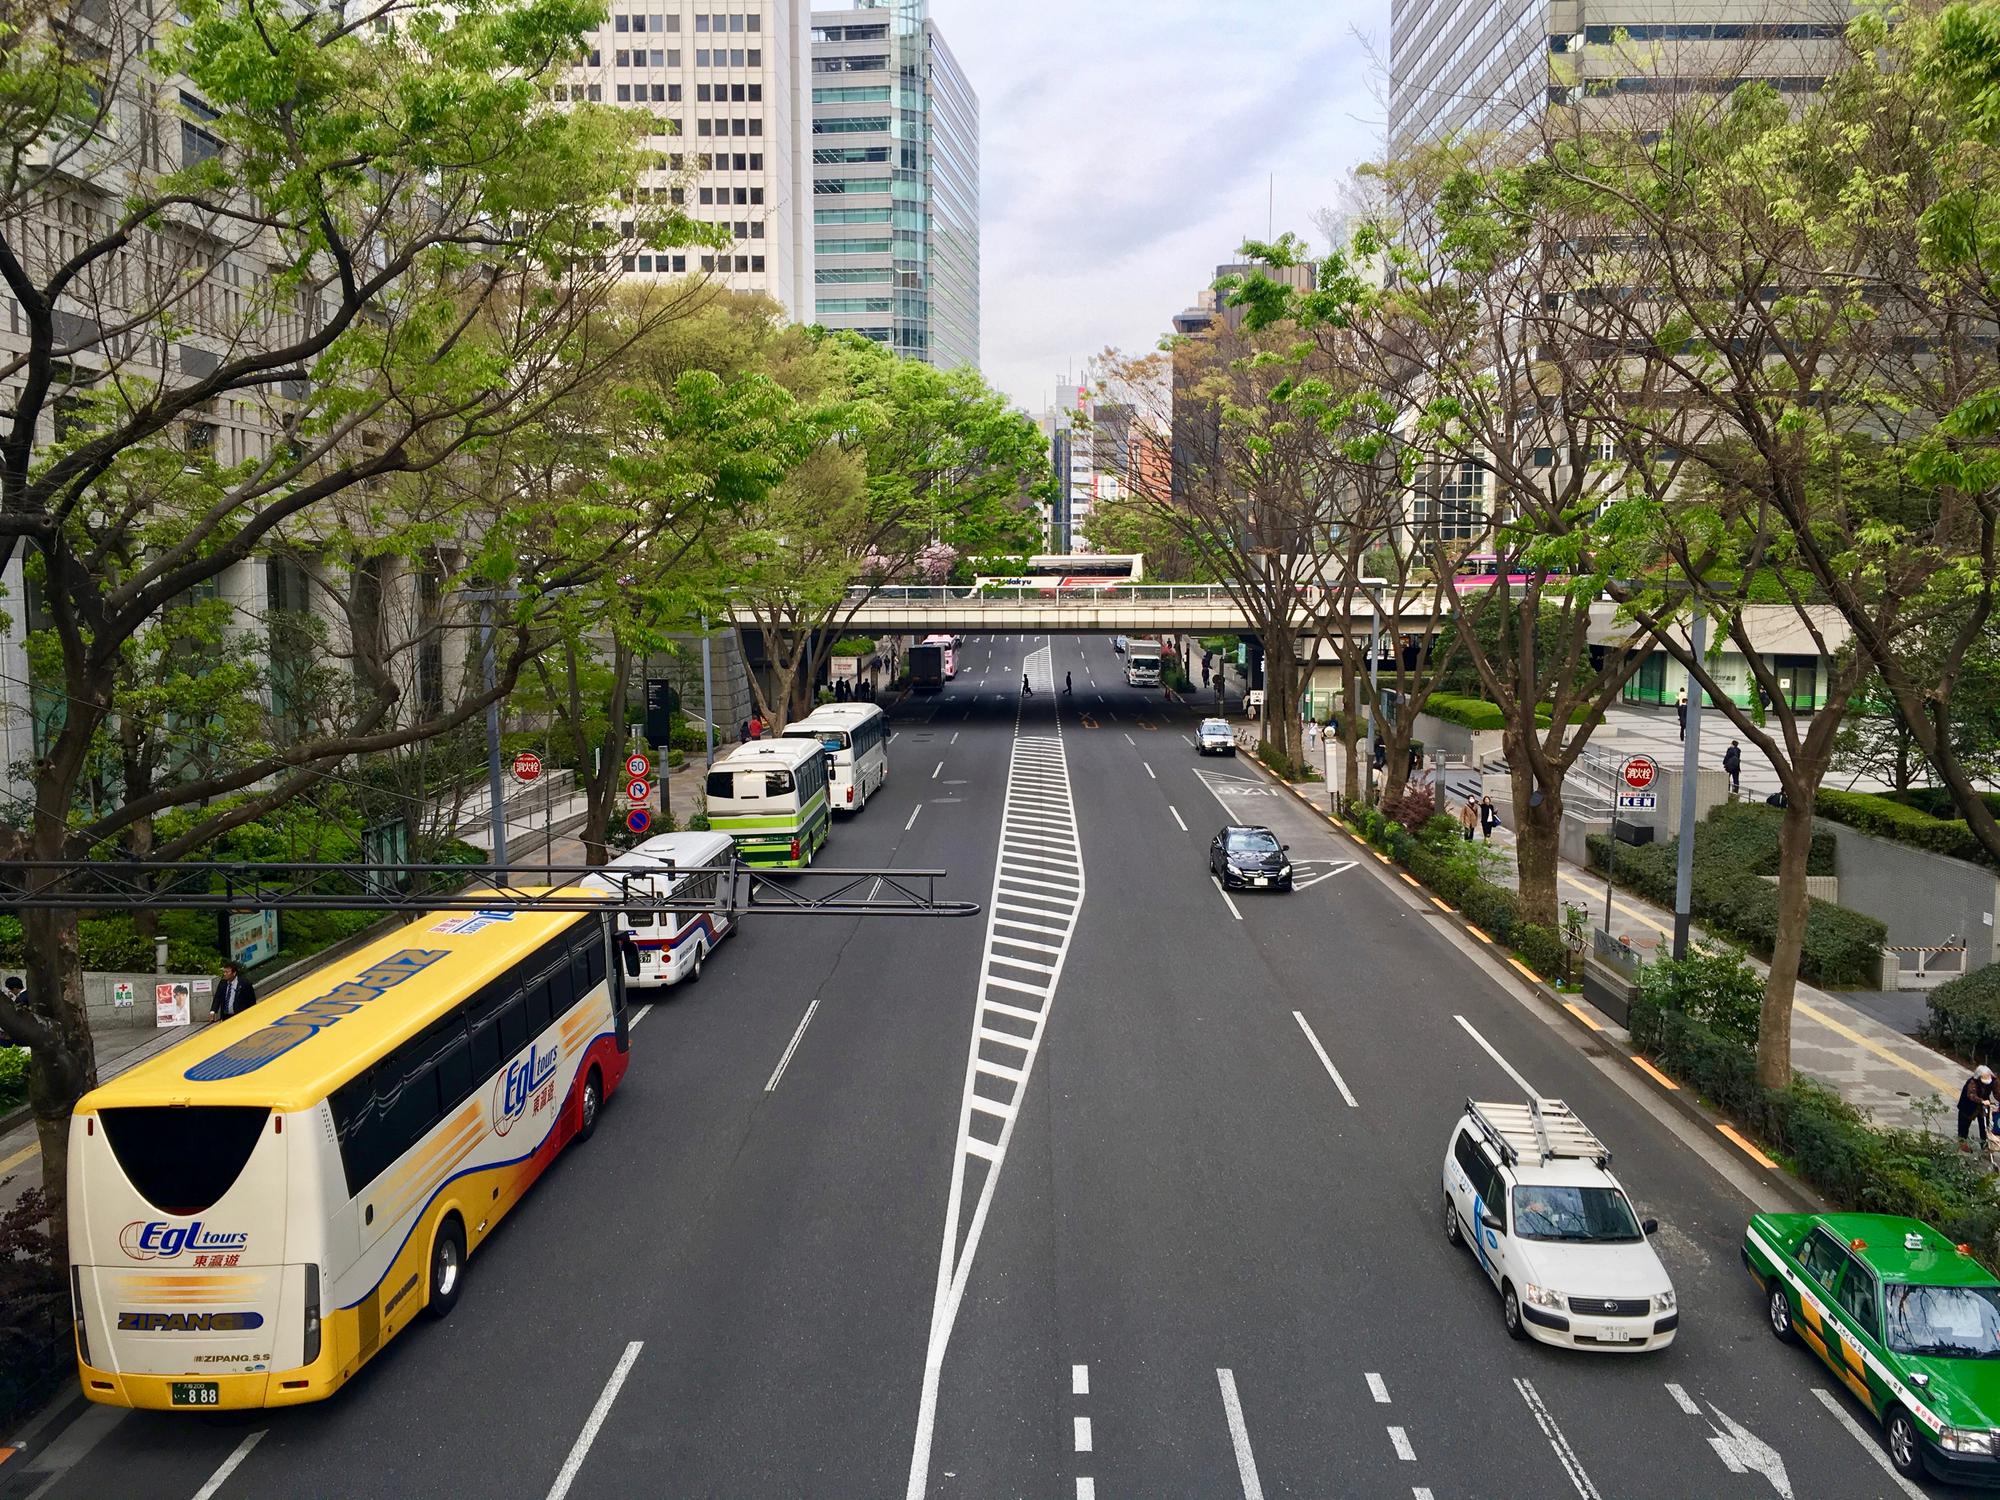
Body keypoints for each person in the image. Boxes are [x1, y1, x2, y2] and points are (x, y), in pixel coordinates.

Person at [1961, 1066, 1997, 1153]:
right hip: (1968, 1105)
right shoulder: (1972, 1082)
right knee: (1964, 1125)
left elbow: (1997, 1091)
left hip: (1983, 1106)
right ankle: (1962, 1143)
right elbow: (1971, 1095)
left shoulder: (1993, 1080)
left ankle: (1985, 1146)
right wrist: (1981, 1101)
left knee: (1985, 1126)